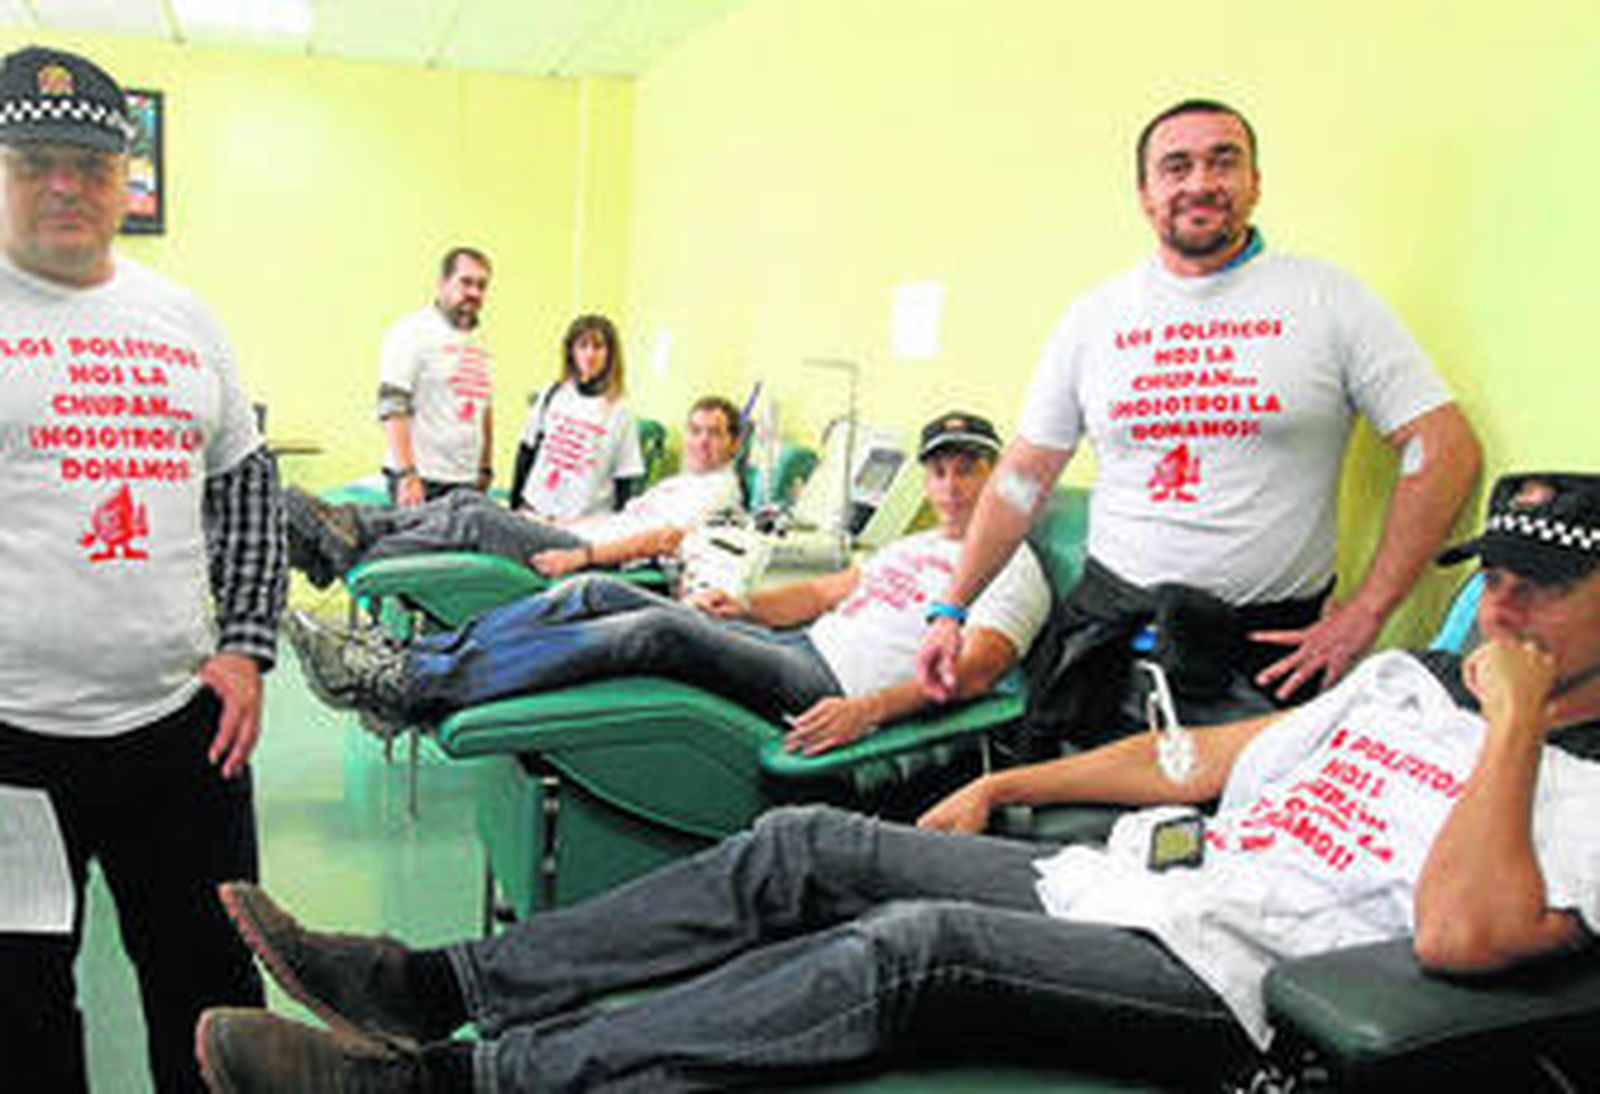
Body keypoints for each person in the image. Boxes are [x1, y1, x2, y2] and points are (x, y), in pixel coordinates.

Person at [195, 471, 1599, 1092]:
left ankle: (463, 1087)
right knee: (801, 844)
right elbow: (1199, 758)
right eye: (1503, 580)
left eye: (1553, 586)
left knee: (902, 950)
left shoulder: (1569, 775)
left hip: (1242, 983)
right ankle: (436, 985)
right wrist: (1008, 785)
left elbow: (1464, 935)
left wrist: (1520, 720)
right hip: (1144, 881)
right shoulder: (1401, 685)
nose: (1513, 609)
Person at [918, 99, 1483, 756]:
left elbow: (1442, 448)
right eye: (1176, 166)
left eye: (1224, 161)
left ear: (1255, 182)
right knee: (1070, 837)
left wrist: (1366, 613)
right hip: (1106, 649)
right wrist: (954, 607)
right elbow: (1023, 479)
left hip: (1267, 660)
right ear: (1145, 193)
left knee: (1237, 846)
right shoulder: (1095, 318)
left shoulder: (1330, 301)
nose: (1199, 183)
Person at [0, 45, 287, 1093]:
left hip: (183, 737)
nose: (65, 184)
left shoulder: (185, 317)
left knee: (209, 988)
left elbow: (246, 486)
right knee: (20, 1001)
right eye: (34, 161)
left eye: (90, 162)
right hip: (11, 759)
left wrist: (248, 647)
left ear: (128, 177)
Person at [286, 412, 1050, 755]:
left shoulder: (1014, 566)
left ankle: (408, 685)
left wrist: (867, 711)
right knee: (594, 595)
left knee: (656, 630)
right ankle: (407, 664)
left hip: (830, 685)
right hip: (795, 641)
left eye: (967, 469)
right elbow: (820, 594)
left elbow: (978, 670)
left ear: (997, 477)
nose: (950, 484)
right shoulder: (912, 544)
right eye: (939, 469)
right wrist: (743, 604)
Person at [286, 395, 743, 588]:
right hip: (580, 536)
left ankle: (351, 552)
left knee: (476, 519)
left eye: (714, 434)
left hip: (597, 561)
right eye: (696, 430)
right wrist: (550, 523)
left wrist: (580, 555)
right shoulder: (683, 481)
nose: (701, 441)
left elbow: (661, 540)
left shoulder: (719, 491)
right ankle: (347, 528)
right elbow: (622, 519)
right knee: (467, 501)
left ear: (734, 443)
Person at [378, 246, 494, 506]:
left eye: (482, 285)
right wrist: (408, 475)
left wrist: (485, 468)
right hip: (422, 479)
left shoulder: (481, 341)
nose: (474, 293)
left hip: (466, 480)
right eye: (465, 282)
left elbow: (484, 409)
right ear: (442, 283)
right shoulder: (411, 332)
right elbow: (392, 407)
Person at [508, 313, 646, 522]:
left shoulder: (620, 410)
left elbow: (625, 477)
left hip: (584, 523)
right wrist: (515, 505)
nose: (590, 354)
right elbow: (526, 451)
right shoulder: (553, 394)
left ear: (610, 354)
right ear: (571, 351)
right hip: (535, 510)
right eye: (582, 345)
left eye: (598, 346)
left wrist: (619, 531)